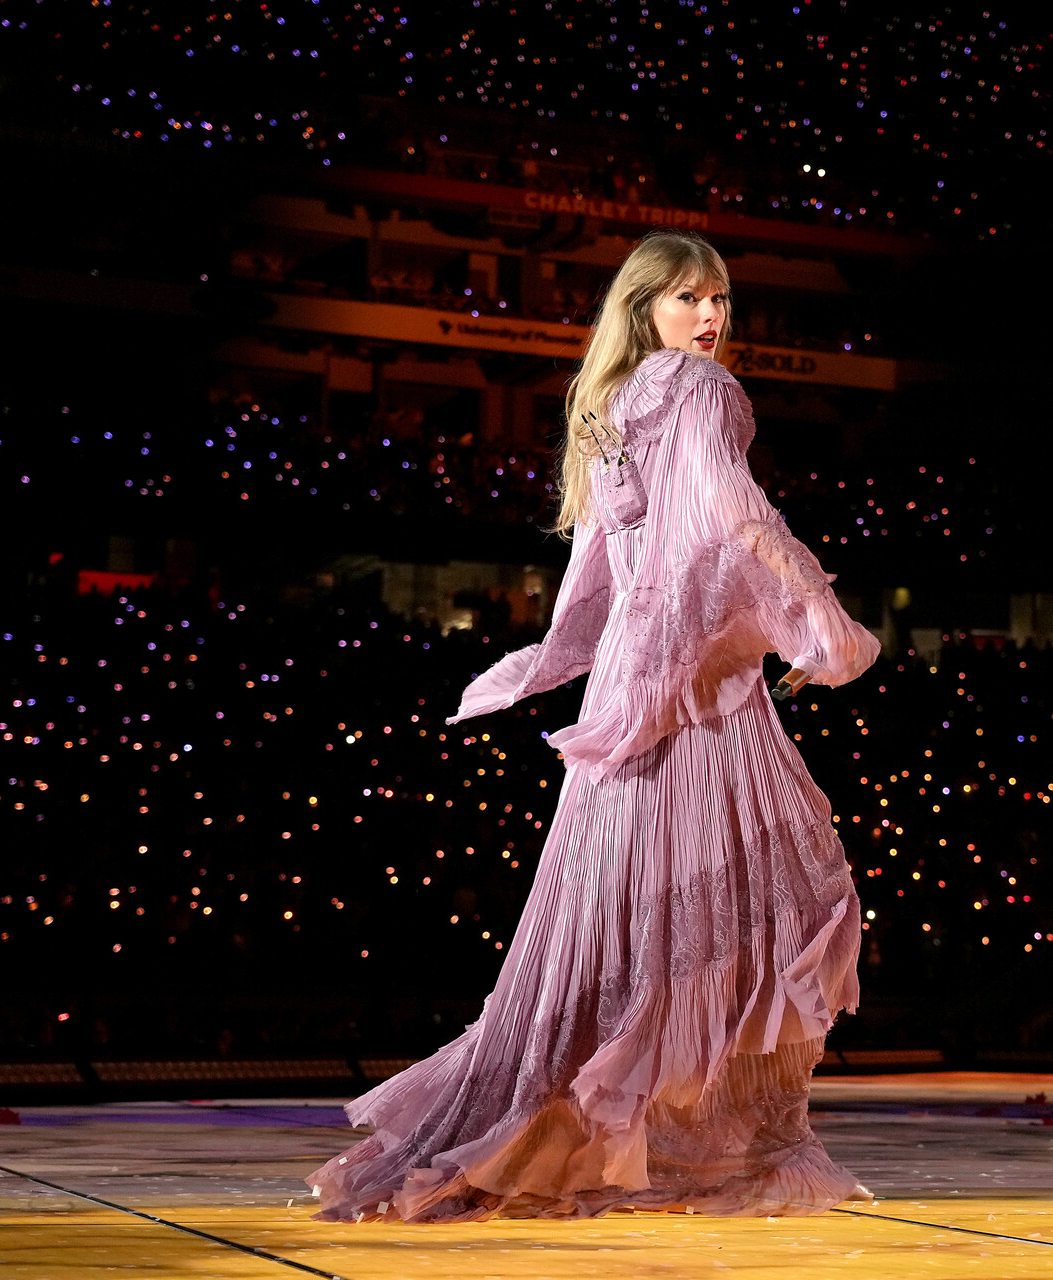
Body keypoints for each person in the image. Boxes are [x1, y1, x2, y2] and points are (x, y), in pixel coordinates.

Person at [306, 228, 882, 1223]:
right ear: (643, 305)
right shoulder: (700, 392)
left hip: (629, 682)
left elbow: (603, 576)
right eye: (690, 297)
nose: (712, 317)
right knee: (776, 893)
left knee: (625, 916)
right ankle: (679, 1139)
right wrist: (826, 628)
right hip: (693, 685)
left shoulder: (610, 404)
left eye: (722, 299)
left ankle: (595, 1131)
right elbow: (737, 517)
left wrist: (555, 661)